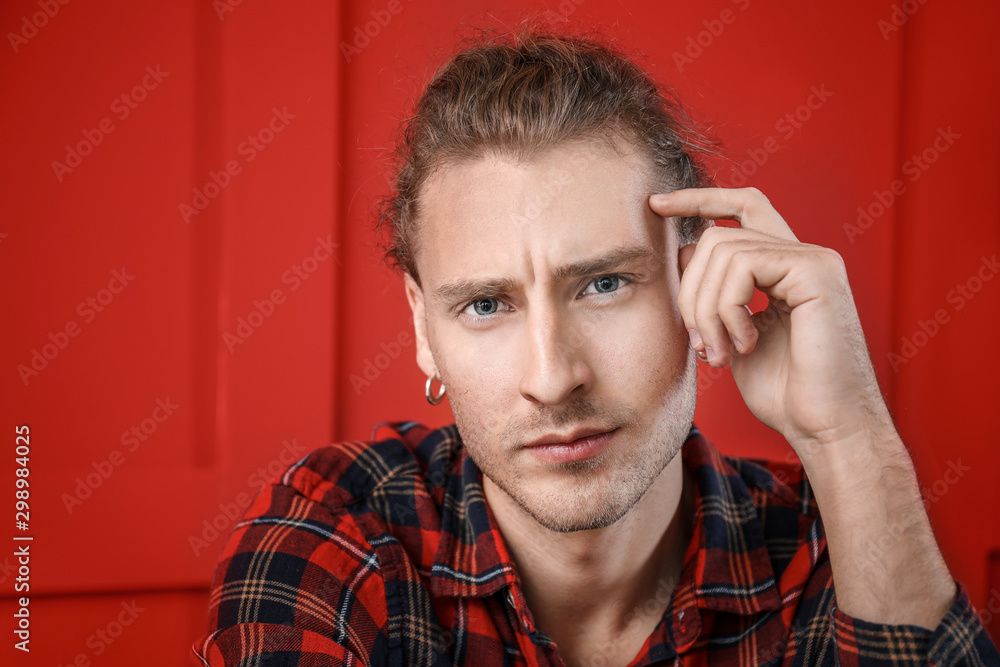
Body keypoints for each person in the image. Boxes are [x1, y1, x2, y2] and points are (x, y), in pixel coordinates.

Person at [192, 25, 1000, 666]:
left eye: (605, 284)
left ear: (695, 273)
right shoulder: (335, 542)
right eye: (484, 303)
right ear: (421, 329)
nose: (553, 378)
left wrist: (852, 441)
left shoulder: (828, 543)